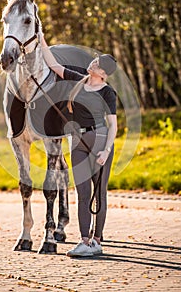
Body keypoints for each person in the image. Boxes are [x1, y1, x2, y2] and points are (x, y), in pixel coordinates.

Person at [41, 36, 117, 257]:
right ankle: (84, 241)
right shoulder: (79, 81)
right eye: (95, 61)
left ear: (102, 73)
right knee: (83, 193)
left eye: (97, 63)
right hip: (78, 143)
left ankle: (97, 240)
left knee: (99, 193)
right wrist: (42, 38)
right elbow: (54, 66)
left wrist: (106, 150)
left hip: (100, 140)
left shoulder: (107, 92)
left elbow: (113, 125)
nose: (93, 63)